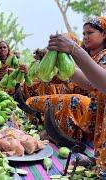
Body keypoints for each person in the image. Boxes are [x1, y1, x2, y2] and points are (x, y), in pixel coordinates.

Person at [27, 16, 106, 175]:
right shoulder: (90, 58)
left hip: (89, 104)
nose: (85, 37)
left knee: (71, 100)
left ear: (104, 34)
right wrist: (54, 60)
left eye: (90, 32)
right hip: (97, 108)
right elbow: (87, 82)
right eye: (84, 33)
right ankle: (99, 162)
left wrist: (74, 50)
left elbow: (97, 83)